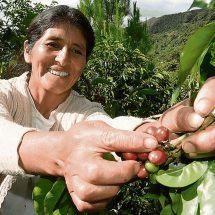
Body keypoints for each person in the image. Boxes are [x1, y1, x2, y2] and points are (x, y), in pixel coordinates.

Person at [0, 4, 214, 214]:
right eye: (53, 44)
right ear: (28, 50)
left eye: (76, 51)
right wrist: (61, 151)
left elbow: (108, 128)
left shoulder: (83, 110)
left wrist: (154, 130)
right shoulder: (6, 93)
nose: (63, 59)